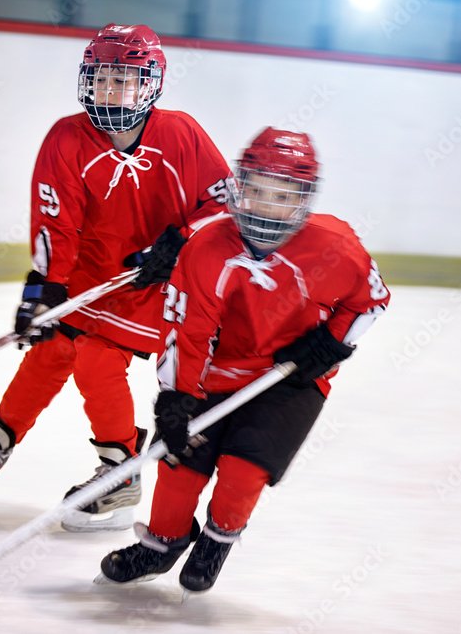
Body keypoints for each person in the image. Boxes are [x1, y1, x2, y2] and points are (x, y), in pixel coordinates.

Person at [0, 24, 232, 532]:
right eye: (100, 78)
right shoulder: (67, 137)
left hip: (153, 285)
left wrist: (180, 241)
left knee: (97, 360)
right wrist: (45, 288)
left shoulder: (181, 133)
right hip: (89, 276)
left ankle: (120, 476)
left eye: (125, 79)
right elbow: (57, 221)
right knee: (51, 349)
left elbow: (223, 204)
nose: (110, 90)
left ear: (151, 83)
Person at [97, 127, 391, 591]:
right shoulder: (207, 247)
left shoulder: (335, 245)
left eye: (280, 194)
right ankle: (162, 543)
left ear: (302, 199)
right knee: (179, 460)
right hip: (212, 373)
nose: (263, 204)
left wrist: (329, 345)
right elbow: (187, 331)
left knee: (243, 467)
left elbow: (369, 301)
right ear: (238, 185)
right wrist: (177, 399)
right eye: (254, 189)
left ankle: (216, 540)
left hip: (287, 379)